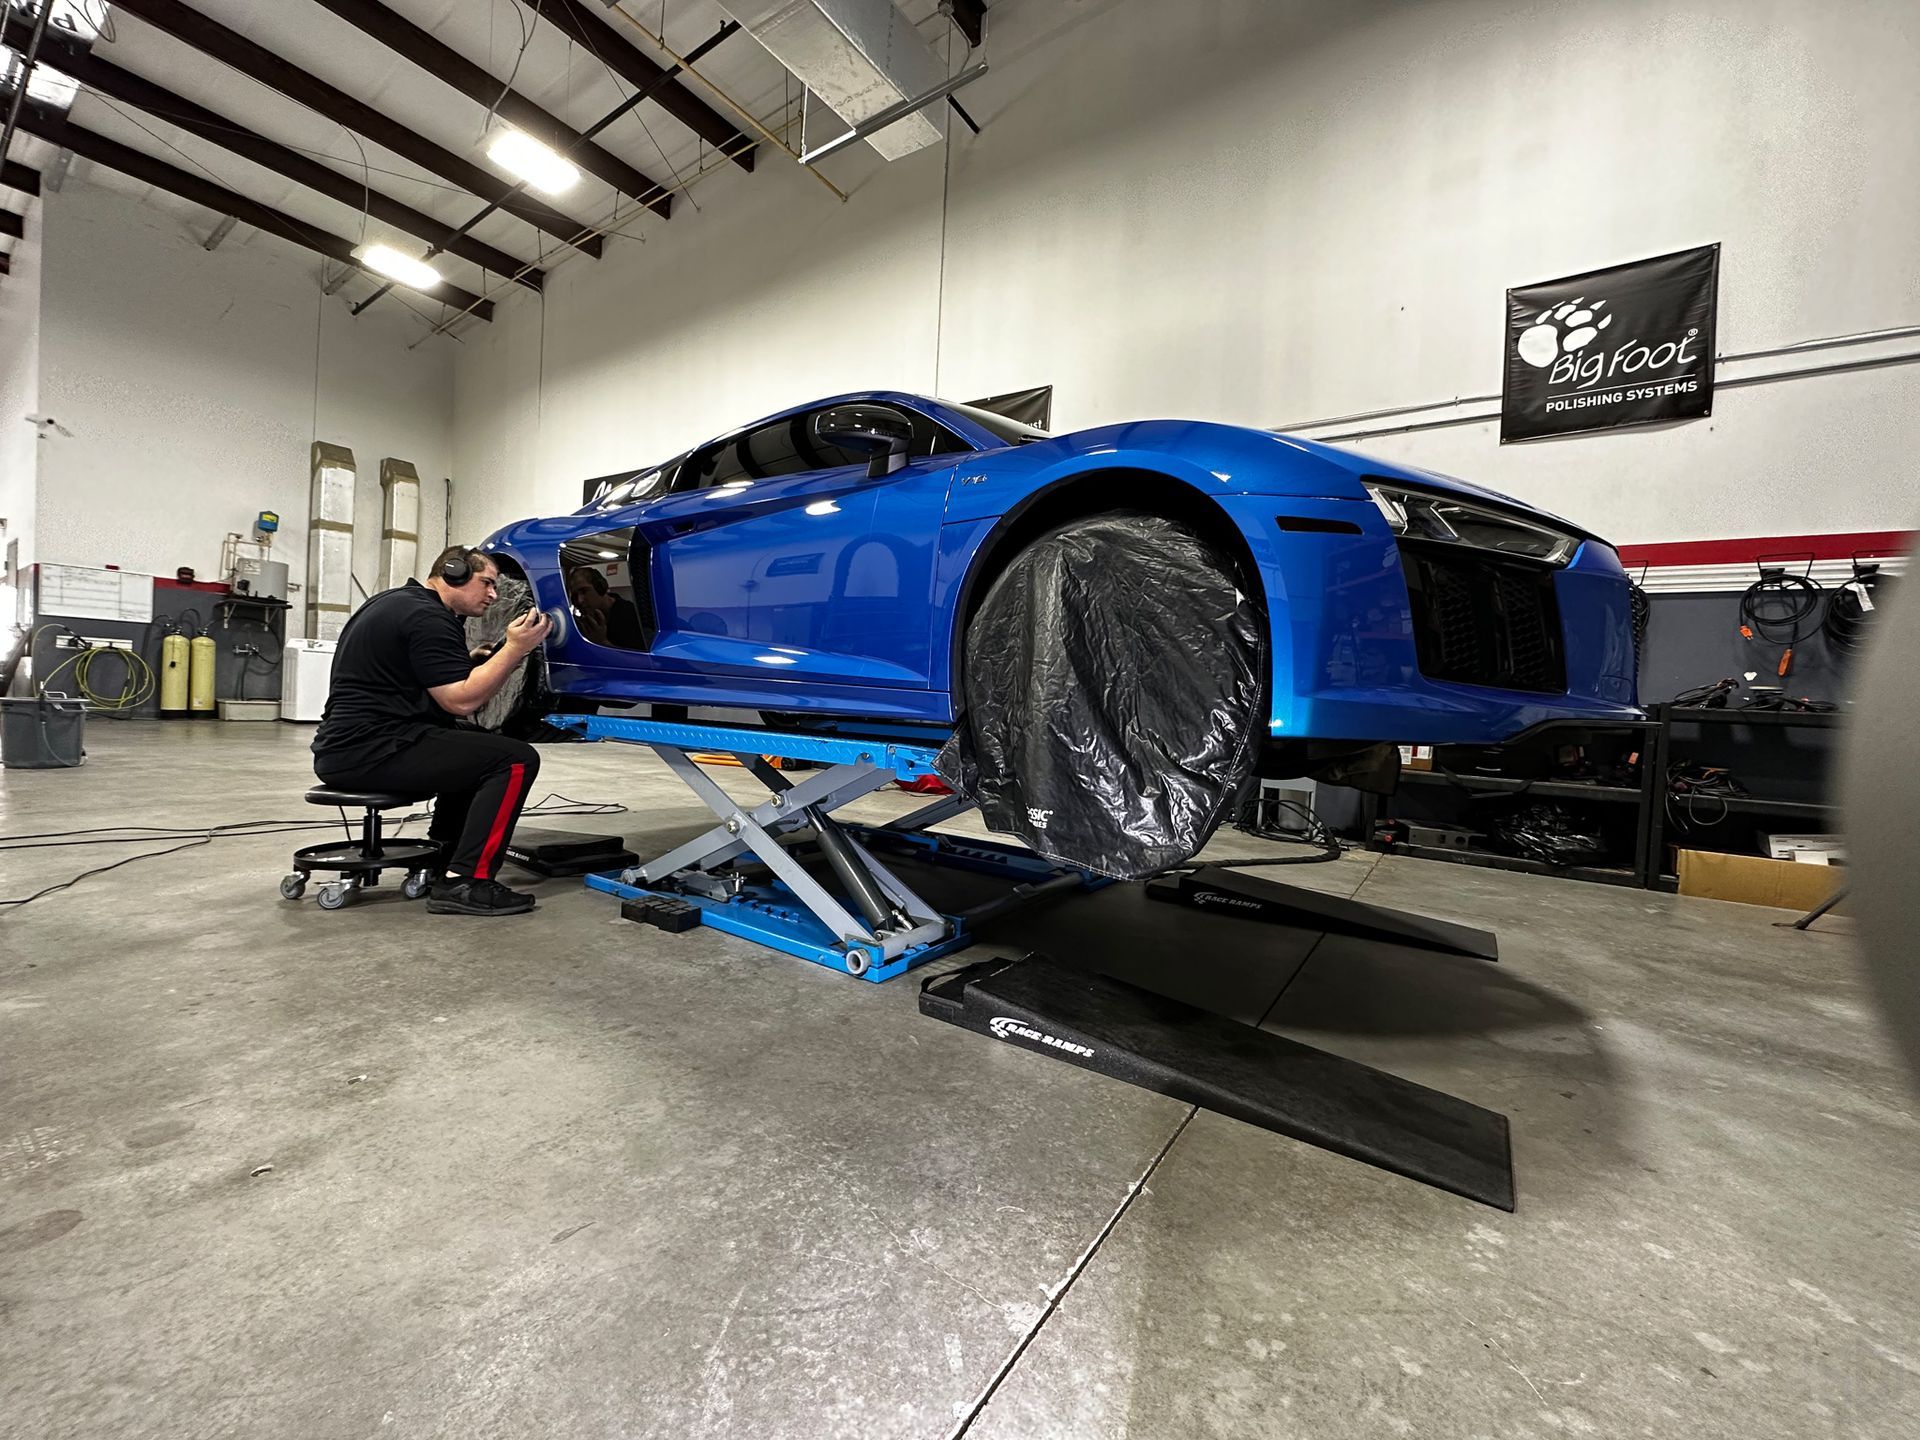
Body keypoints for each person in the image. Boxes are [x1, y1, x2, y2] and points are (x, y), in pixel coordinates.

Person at [312, 546, 554, 916]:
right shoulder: (428, 617)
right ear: (455, 573)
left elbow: (413, 677)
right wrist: (515, 649)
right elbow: (460, 701)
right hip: (371, 749)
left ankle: (444, 856)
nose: (493, 594)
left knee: (479, 748)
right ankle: (466, 880)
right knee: (515, 759)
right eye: (487, 583)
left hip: (351, 747)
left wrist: (468, 663)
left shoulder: (399, 603)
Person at [567, 566, 647, 650]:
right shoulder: (588, 620)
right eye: (574, 596)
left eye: (584, 591)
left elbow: (641, 657)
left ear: (600, 588)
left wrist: (602, 642)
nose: (579, 600)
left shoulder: (631, 615)